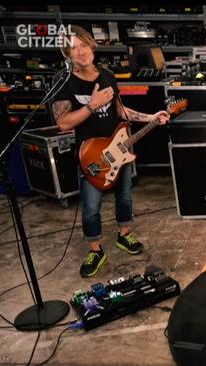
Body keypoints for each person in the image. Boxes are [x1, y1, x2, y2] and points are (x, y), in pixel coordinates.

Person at [51, 25, 170, 277]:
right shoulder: (65, 82)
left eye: (83, 45)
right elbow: (62, 122)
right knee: (91, 206)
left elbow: (120, 111)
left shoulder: (106, 75)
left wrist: (152, 116)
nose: (81, 52)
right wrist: (91, 106)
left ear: (91, 45)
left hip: (118, 147)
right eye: (74, 48)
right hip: (91, 154)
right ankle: (95, 249)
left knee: (124, 195)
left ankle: (124, 235)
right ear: (67, 53)